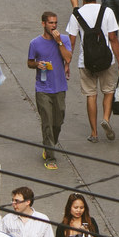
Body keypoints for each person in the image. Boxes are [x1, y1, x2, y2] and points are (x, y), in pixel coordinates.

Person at [69, 0, 119, 144]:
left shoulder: (76, 15)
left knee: (91, 95)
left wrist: (66, 63)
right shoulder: (107, 12)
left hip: (86, 61)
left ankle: (93, 133)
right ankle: (106, 118)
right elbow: (113, 38)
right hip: (107, 60)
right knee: (108, 91)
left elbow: (72, 41)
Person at [28, 11, 71, 169]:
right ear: (43, 24)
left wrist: (59, 42)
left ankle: (49, 145)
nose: (54, 26)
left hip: (59, 87)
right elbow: (29, 62)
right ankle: (50, 157)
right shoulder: (35, 43)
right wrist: (37, 65)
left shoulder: (64, 39)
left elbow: (68, 58)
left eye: (55, 23)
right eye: (51, 23)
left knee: (58, 122)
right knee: (47, 122)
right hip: (43, 88)